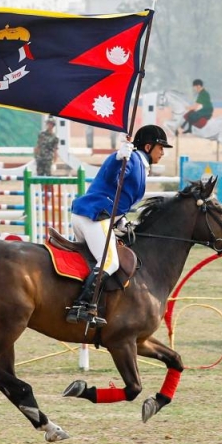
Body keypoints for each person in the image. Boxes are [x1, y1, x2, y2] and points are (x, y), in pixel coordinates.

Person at [65, 124, 173, 326]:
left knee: (94, 261)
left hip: (96, 216)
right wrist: (118, 158)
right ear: (148, 147)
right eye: (161, 147)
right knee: (109, 263)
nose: (163, 153)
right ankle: (82, 306)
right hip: (94, 216)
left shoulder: (140, 164)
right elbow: (111, 175)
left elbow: (116, 192)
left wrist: (120, 220)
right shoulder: (130, 158)